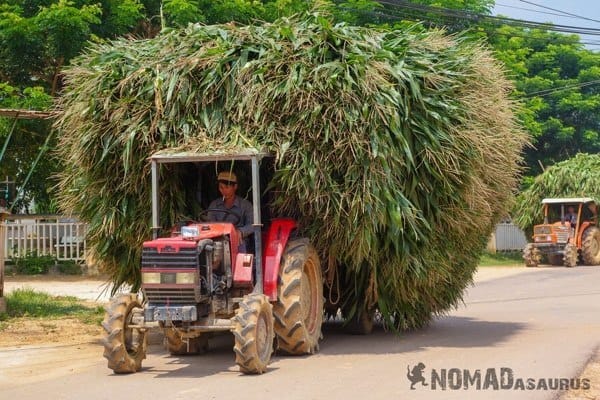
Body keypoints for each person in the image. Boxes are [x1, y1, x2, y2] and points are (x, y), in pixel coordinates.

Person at [207, 171, 254, 250]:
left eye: (227, 187)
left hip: (239, 239)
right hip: (218, 239)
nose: (224, 191)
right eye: (221, 187)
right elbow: (210, 224)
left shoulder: (246, 205)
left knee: (240, 243)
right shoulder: (214, 205)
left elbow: (252, 225)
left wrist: (240, 232)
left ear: (235, 187)